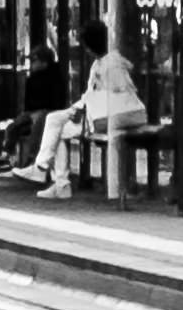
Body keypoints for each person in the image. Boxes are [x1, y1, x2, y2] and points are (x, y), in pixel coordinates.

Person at [16, 17, 151, 196]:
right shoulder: (102, 63)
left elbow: (113, 94)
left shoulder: (110, 65)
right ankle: (49, 174)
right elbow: (95, 94)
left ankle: (51, 176)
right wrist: (79, 108)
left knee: (56, 125)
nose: (86, 50)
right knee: (55, 123)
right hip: (99, 113)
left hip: (108, 116)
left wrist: (80, 108)